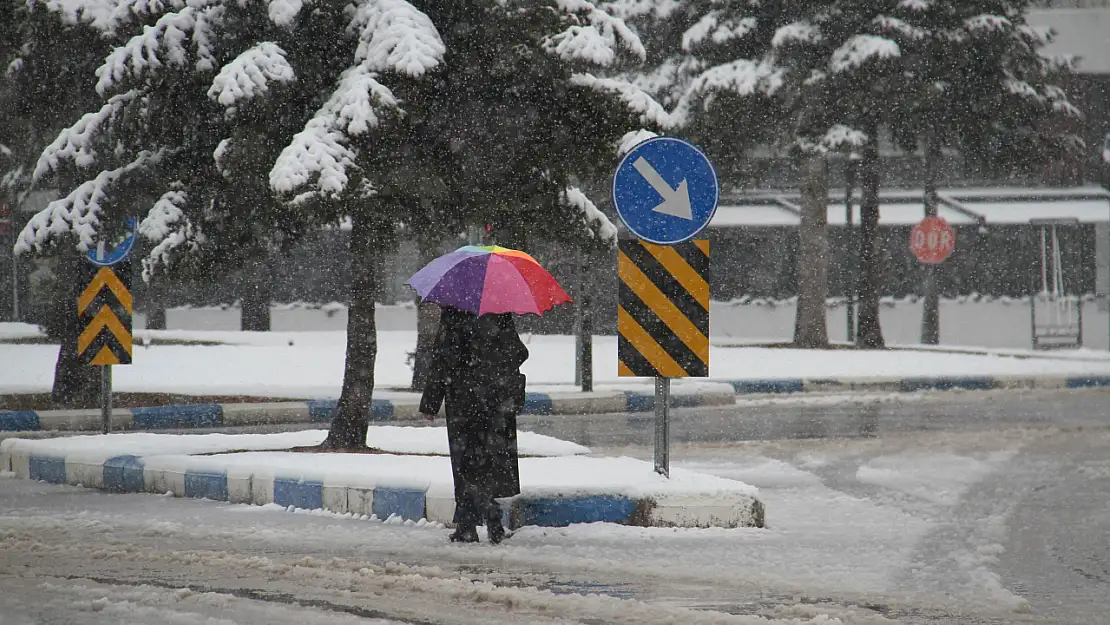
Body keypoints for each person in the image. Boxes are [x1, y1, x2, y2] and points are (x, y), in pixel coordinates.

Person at [419, 307, 528, 544]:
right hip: (495, 400)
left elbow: (442, 359)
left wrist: (430, 403)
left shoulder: (453, 314)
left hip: (463, 401)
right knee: (490, 460)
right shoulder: (499, 312)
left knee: (466, 463)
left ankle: (467, 524)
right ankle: (493, 519)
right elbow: (519, 352)